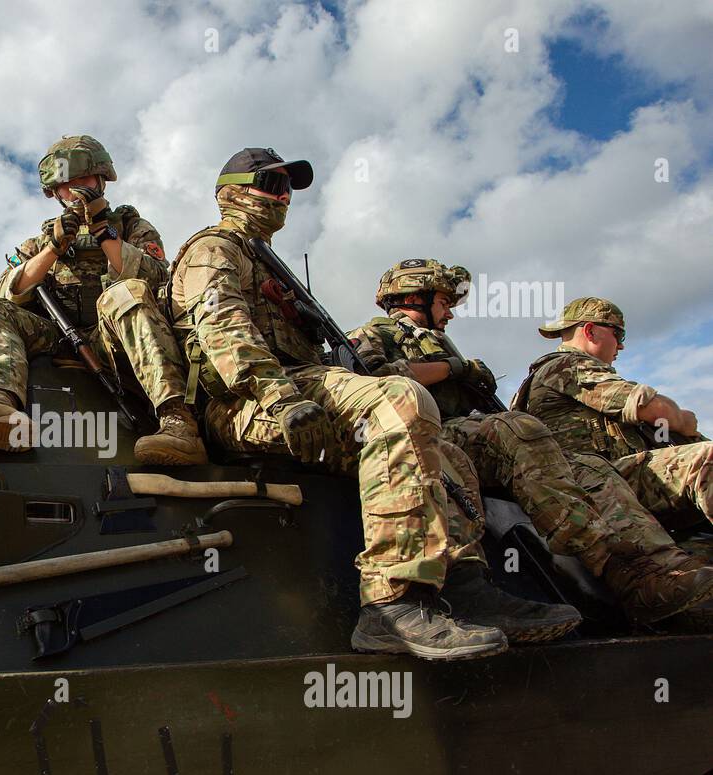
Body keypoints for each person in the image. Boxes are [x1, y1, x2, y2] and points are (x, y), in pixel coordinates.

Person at [168, 147, 583, 660]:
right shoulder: (215, 248)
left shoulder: (267, 262)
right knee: (401, 399)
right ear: (230, 189)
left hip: (301, 393)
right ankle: (392, 605)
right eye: (268, 184)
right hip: (247, 404)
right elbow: (221, 326)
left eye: (287, 189)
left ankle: (466, 588)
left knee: (446, 450)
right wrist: (278, 396)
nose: (280, 197)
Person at [349, 263, 713, 625]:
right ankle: (616, 565)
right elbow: (377, 381)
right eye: (444, 302)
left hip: (463, 432)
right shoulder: (374, 333)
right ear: (414, 297)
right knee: (522, 431)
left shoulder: (434, 340)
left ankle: (641, 569)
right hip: (421, 431)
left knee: (528, 434)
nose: (449, 313)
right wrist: (454, 368)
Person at [0, 134, 207, 465]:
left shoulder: (130, 226)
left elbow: (157, 278)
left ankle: (177, 422)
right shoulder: (43, 238)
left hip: (113, 340)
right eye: (65, 184)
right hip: (56, 337)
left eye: (82, 179)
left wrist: (103, 232)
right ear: (55, 192)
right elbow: (7, 292)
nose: (75, 189)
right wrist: (53, 248)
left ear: (101, 178)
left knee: (125, 293)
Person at [515, 296, 713, 537]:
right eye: (619, 335)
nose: (621, 346)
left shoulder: (560, 372)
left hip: (599, 486)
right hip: (598, 485)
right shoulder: (568, 365)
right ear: (590, 331)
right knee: (707, 459)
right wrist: (684, 419)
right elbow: (653, 409)